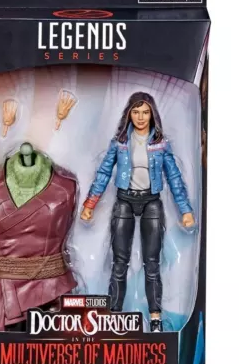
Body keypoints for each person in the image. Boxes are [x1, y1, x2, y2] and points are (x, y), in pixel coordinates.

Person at [81, 92, 195, 332]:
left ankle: (155, 317)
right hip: (124, 199)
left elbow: (174, 177)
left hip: (151, 201)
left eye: (145, 112)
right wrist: (90, 203)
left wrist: (185, 210)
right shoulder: (120, 142)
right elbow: (103, 173)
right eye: (136, 112)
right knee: (119, 263)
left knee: (152, 264)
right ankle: (114, 314)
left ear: (152, 114)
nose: (141, 117)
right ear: (129, 114)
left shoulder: (161, 144)